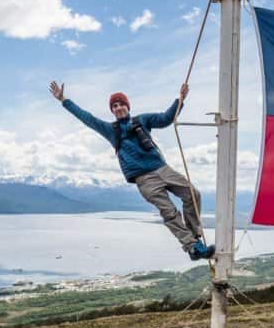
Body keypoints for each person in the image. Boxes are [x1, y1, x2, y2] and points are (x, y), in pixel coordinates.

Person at [49, 80, 215, 261]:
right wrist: (63, 100)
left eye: (121, 104)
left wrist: (180, 99)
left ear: (128, 106)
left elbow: (166, 118)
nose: (118, 108)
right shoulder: (111, 130)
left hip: (162, 168)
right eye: (114, 106)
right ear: (112, 111)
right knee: (169, 211)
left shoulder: (142, 120)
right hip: (144, 179)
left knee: (193, 194)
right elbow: (86, 118)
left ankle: (194, 239)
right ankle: (192, 246)